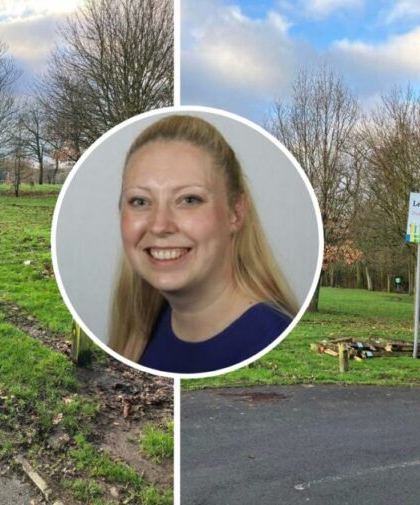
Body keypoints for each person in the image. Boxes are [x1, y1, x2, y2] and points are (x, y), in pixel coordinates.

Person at [109, 115, 298, 374]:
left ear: (235, 213)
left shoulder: (268, 339)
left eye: (189, 200)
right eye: (140, 202)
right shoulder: (140, 332)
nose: (160, 225)